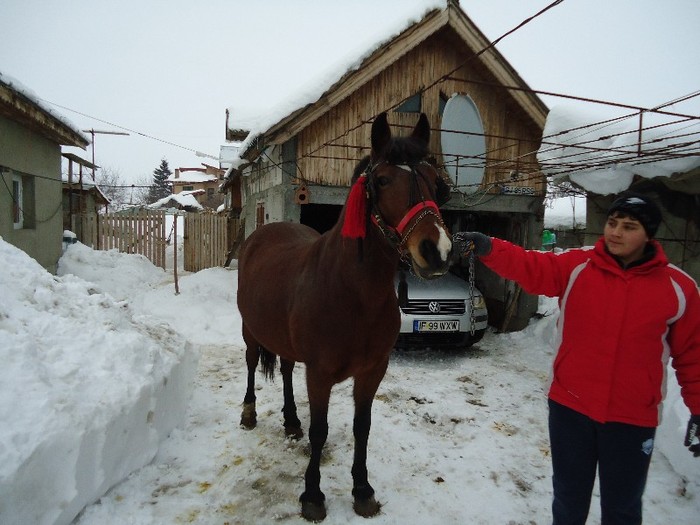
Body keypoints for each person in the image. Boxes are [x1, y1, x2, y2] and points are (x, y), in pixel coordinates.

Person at [453, 191, 700, 525]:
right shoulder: (577, 266)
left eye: (629, 227)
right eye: (612, 223)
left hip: (632, 419)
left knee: (623, 508)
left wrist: (698, 411)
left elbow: (693, 356)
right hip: (570, 410)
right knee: (568, 501)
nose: (615, 232)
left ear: (649, 235)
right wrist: (489, 247)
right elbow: (531, 266)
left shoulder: (679, 289)